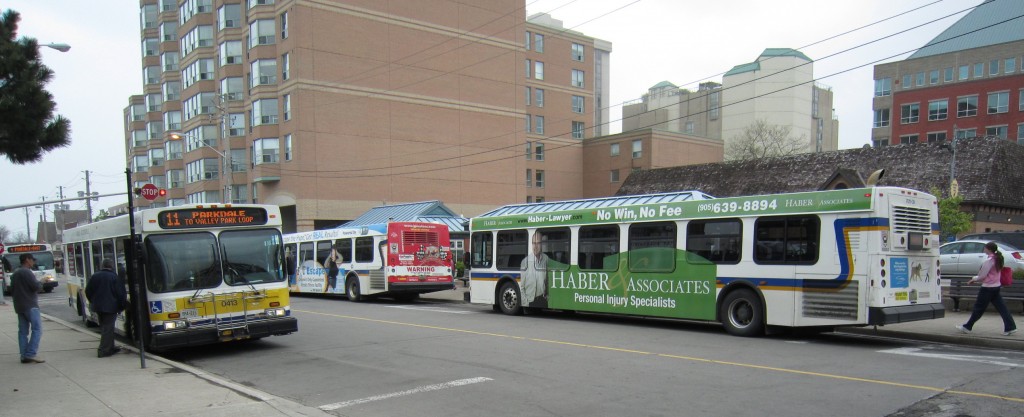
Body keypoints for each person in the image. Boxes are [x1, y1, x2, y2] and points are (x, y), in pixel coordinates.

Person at [955, 241, 1018, 336]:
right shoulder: (998, 259)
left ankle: (967, 327)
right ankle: (1010, 327)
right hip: (996, 287)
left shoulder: (988, 261)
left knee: (978, 308)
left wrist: (973, 279)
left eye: (985, 248)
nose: (984, 249)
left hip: (987, 288)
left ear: (988, 249)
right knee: (1002, 308)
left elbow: (982, 276)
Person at [86, 258, 128, 358]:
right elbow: (120, 294)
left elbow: (88, 291)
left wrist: (93, 301)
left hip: (98, 307)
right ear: (111, 266)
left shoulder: (95, 276)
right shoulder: (114, 277)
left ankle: (110, 347)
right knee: (108, 328)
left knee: (105, 327)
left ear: (102, 266)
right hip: (111, 307)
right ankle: (103, 350)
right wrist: (122, 306)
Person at [11, 253, 44, 364]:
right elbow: (36, 287)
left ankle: (24, 355)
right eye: (32, 260)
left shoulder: (15, 273)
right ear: (27, 260)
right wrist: (41, 282)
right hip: (30, 305)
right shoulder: (26, 272)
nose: (33, 262)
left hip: (19, 305)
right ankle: (30, 353)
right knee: (37, 329)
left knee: (23, 331)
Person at [520, 231, 550, 309]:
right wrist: (526, 303)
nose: (535, 246)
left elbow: (547, 281)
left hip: (543, 300)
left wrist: (547, 297)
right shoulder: (525, 262)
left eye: (538, 243)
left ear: (542, 245)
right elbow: (522, 287)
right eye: (533, 243)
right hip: (530, 301)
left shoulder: (546, 259)